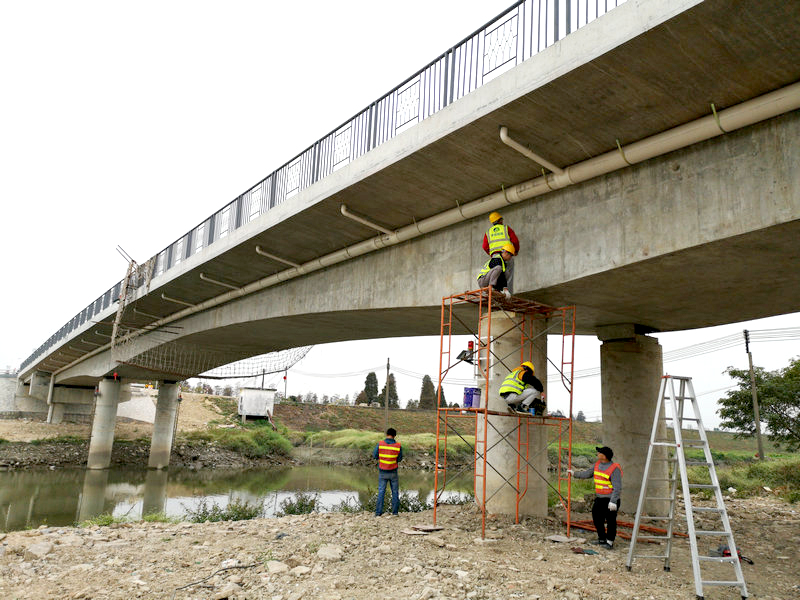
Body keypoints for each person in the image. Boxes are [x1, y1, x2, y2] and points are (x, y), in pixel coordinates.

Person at [569, 446, 622, 549]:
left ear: (604, 456)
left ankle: (609, 542)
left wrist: (613, 501)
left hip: (610, 499)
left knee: (611, 521)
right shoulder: (597, 465)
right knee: (597, 518)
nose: (597, 454)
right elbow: (587, 474)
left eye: (599, 453)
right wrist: (574, 474)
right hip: (600, 498)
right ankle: (602, 539)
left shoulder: (614, 468)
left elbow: (617, 487)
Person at [482, 212, 520, 292]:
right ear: (500, 220)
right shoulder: (506, 228)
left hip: (495, 256)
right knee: (508, 275)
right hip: (507, 254)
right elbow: (515, 241)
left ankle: (497, 293)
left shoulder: (488, 232)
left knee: (497, 274)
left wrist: (492, 254)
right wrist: (515, 251)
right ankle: (507, 294)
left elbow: (485, 246)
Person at [372, 427, 403, 516]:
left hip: (382, 472)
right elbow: (400, 459)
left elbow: (375, 455)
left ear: (387, 434)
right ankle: (395, 513)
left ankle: (378, 513)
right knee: (395, 492)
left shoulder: (380, 444)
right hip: (393, 472)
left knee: (381, 492)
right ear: (394, 436)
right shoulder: (398, 446)